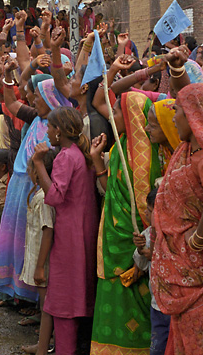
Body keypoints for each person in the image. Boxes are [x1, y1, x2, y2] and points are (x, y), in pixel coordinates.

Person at [0, 75, 72, 305]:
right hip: (20, 186)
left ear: (50, 98)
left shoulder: (57, 130)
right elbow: (12, 103)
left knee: (32, 241)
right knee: (16, 240)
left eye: (38, 96)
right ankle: (14, 290)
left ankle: (32, 298)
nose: (33, 99)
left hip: (36, 190)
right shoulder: (37, 117)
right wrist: (6, 76)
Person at [89, 92, 157, 352]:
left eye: (115, 113)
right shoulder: (118, 147)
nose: (111, 117)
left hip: (138, 245)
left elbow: (148, 208)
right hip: (113, 241)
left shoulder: (153, 155)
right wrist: (97, 159)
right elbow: (110, 191)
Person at [32, 107, 99, 355]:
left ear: (58, 131)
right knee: (73, 294)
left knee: (64, 301)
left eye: (50, 127)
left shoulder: (65, 157)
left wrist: (38, 163)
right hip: (81, 230)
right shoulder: (78, 155)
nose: (47, 131)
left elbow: (54, 196)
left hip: (69, 234)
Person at [152, 83, 203, 355]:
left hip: (194, 267)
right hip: (178, 262)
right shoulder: (184, 150)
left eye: (178, 110)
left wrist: (197, 240)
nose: (173, 117)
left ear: (193, 114)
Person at [21, 147, 57, 355]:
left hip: (42, 260)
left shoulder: (44, 198)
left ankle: (43, 347)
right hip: (39, 258)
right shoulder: (40, 194)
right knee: (44, 304)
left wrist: (40, 267)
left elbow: (48, 231)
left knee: (46, 306)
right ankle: (44, 343)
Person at [132, 190, 168, 355]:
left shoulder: (173, 236)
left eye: (150, 210)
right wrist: (140, 250)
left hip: (174, 304)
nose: (146, 213)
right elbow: (141, 265)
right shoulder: (146, 235)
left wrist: (154, 254)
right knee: (158, 348)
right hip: (157, 305)